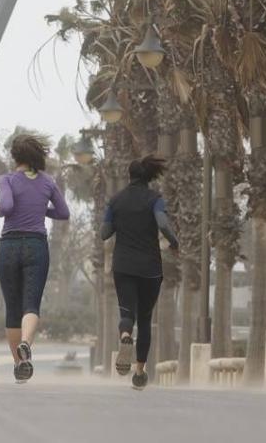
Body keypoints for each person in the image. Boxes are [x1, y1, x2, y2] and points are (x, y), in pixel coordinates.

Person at [0, 133, 70, 383]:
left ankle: (19, 364)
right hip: (36, 246)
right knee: (31, 304)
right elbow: (63, 212)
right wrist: (40, 208)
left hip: (10, 246)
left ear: (15, 157)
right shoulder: (48, 182)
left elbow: (6, 207)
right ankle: (26, 343)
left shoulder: (7, 179)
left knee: (12, 308)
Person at [101, 154, 179, 390]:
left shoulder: (115, 201)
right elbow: (163, 223)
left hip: (123, 265)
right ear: (148, 177)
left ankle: (125, 336)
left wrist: (117, 223)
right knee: (145, 319)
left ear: (129, 176)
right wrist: (174, 242)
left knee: (127, 311)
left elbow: (104, 233)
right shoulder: (155, 199)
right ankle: (139, 371)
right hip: (150, 268)